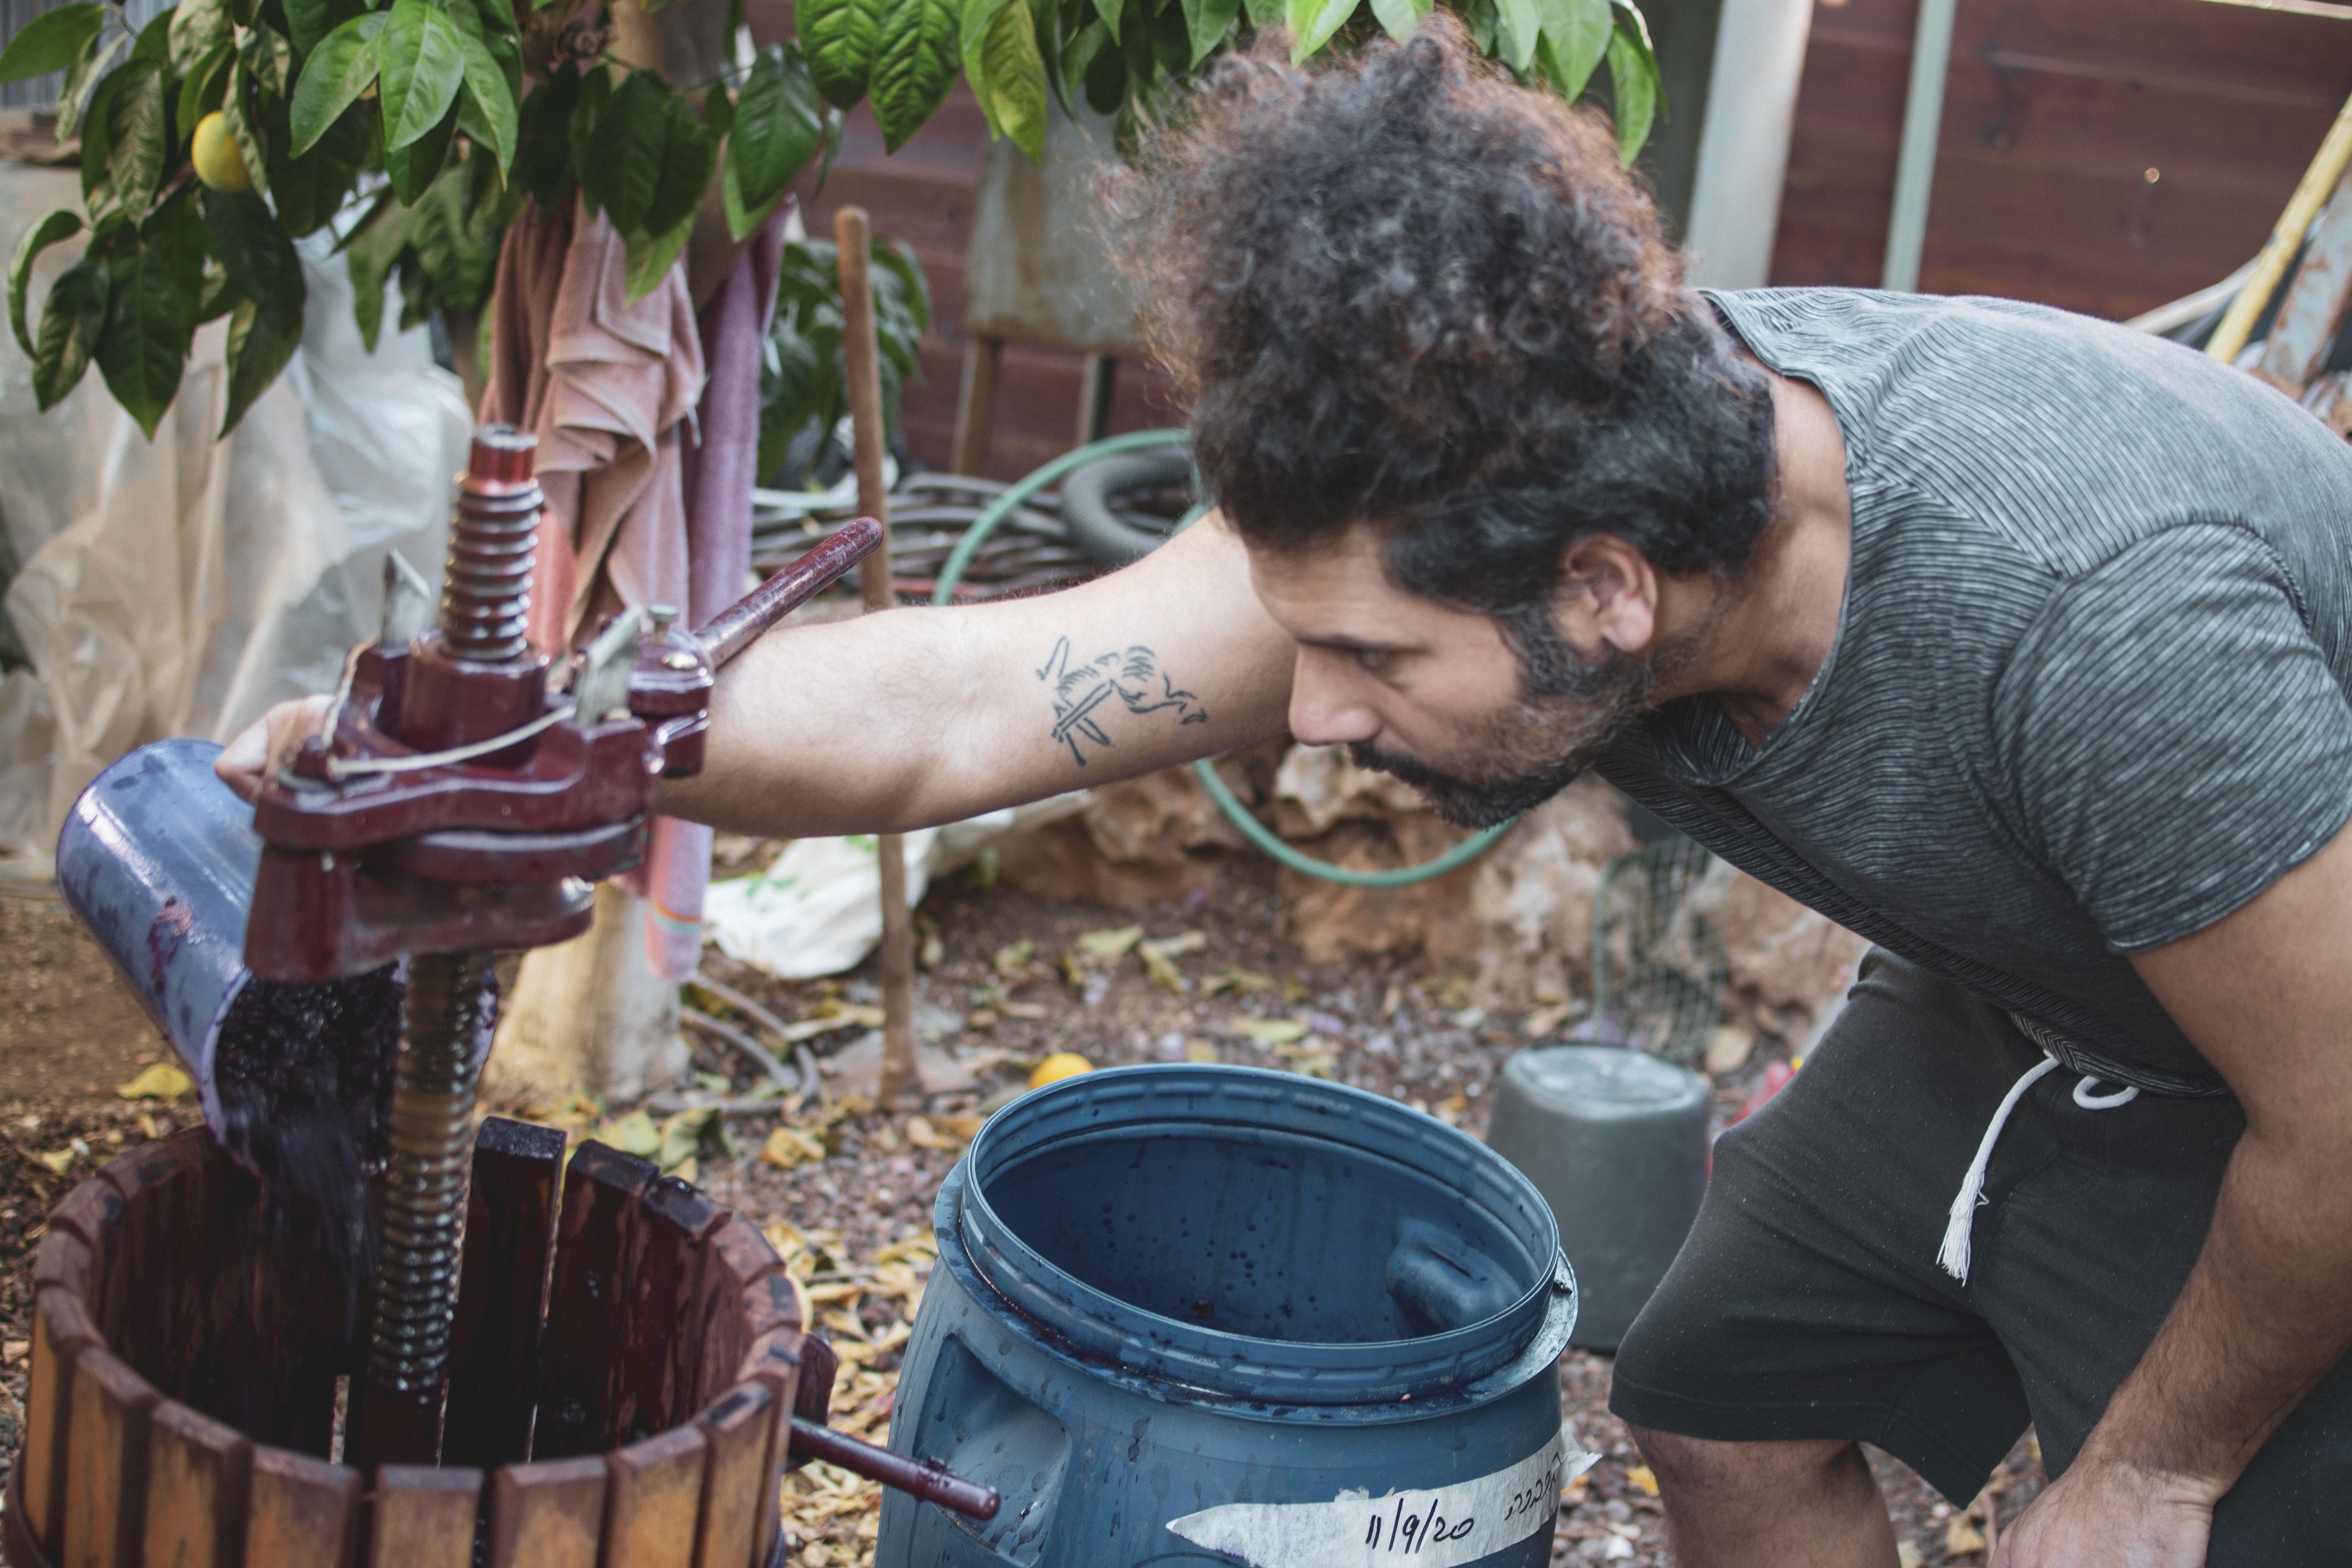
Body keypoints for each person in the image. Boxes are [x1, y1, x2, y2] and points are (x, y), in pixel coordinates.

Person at [221, 21, 2352, 1566]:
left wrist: (2152, 1477)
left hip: (2302, 1050)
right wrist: (544, 752)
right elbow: (975, 706)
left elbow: (2345, 1095)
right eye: (1301, 639)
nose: (1306, 715)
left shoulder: (2098, 625)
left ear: (1610, 595)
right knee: (1716, 1405)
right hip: (2045, 962)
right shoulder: (1515, 469)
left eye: (1369, 666)